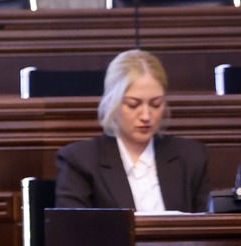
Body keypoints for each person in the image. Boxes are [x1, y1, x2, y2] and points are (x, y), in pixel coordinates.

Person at [54, 49, 209, 213]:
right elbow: (72, 226)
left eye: (155, 104)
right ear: (112, 103)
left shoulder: (191, 157)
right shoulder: (80, 160)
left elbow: (208, 224)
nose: (146, 116)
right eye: (133, 105)